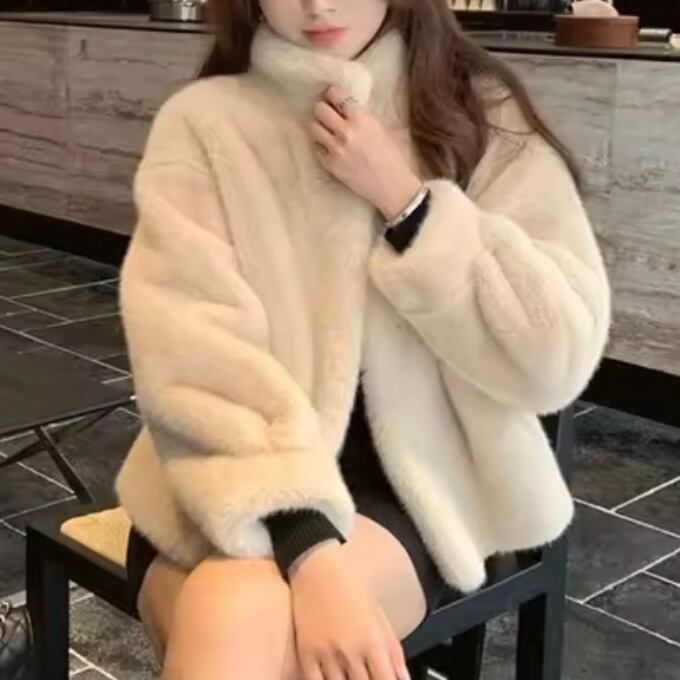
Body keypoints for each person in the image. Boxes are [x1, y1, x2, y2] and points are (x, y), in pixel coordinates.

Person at [115, 0, 611, 678]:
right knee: (236, 608)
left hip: (417, 486)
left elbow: (556, 357)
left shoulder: (480, 114)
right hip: (220, 475)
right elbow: (195, 356)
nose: (318, 5)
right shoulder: (207, 123)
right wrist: (310, 551)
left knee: (233, 612)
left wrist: (408, 204)